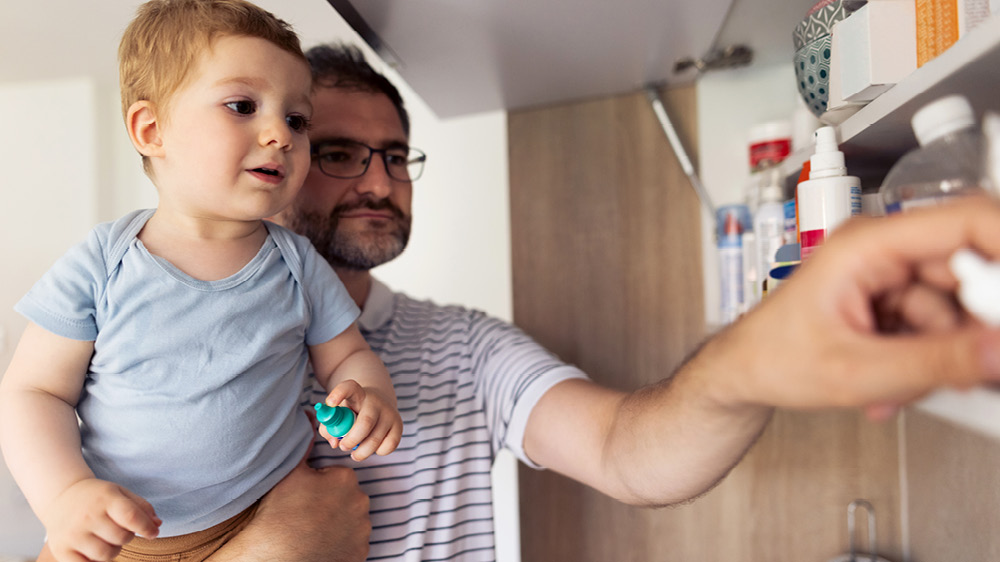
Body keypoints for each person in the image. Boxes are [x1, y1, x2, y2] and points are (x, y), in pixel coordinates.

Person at [197, 42, 1000, 562]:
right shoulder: (158, 345)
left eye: (397, 156)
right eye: (341, 153)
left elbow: (627, 451)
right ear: (282, 158)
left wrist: (749, 361)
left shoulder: (462, 348)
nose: (379, 181)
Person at [0, 4, 402, 562]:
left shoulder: (298, 264)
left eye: (296, 120)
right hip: (125, 538)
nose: (280, 136)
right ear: (151, 130)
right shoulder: (102, 262)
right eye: (242, 106)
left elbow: (348, 356)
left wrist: (371, 393)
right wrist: (63, 495)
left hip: (269, 514)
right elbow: (33, 392)